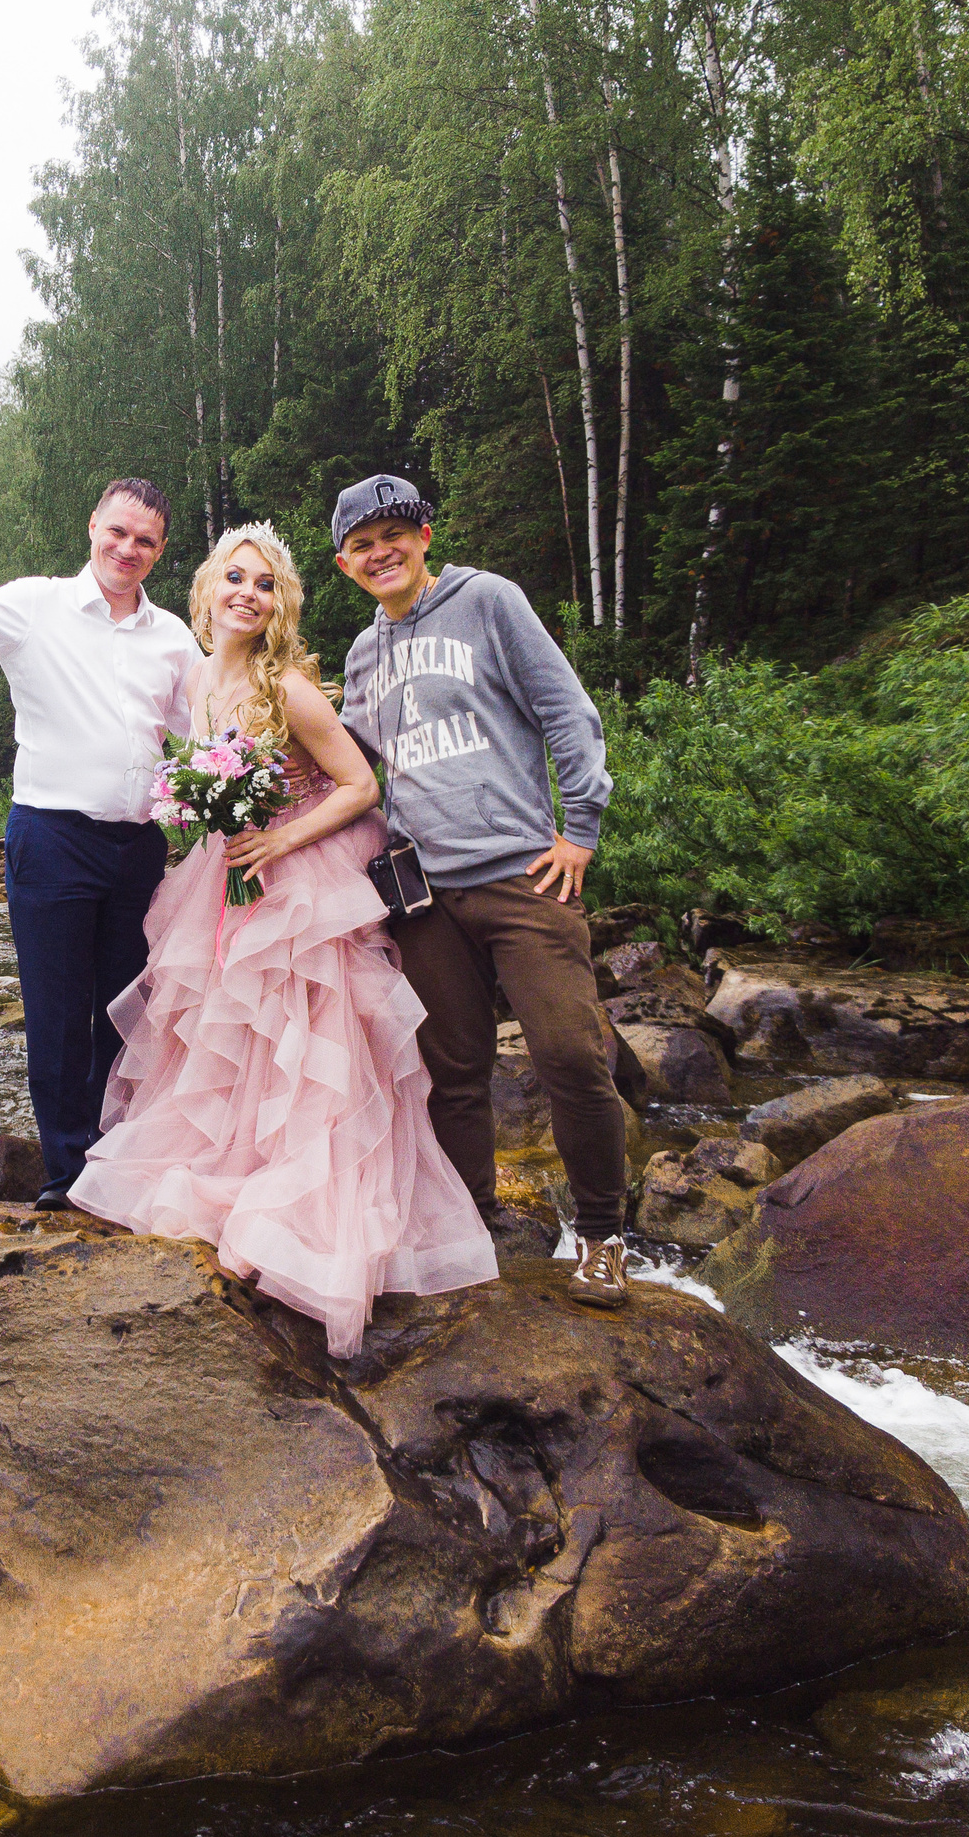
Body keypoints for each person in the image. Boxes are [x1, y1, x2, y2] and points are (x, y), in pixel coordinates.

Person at [68, 522, 498, 1357]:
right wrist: (208, 816)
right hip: (226, 879)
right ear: (206, 591)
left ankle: (307, 1221)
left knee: (308, 1049)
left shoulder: (288, 686)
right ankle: (241, 1184)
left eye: (265, 585)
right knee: (228, 1040)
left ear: (279, 604)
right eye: (235, 577)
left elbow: (360, 785)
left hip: (301, 878)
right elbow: (193, 777)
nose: (248, 594)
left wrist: (278, 842)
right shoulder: (194, 680)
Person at [332, 474, 633, 1309]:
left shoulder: (488, 601)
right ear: (344, 563)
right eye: (362, 543)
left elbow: (567, 712)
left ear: (426, 534)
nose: (380, 551)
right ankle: (477, 1224)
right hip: (424, 894)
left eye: (395, 532)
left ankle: (604, 1235)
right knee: (451, 1070)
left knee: (570, 1053)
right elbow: (349, 766)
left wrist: (581, 829)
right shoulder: (363, 655)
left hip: (521, 873)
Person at [0, 480, 202, 1203]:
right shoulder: (34, 605)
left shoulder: (174, 637)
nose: (128, 549)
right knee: (57, 1019)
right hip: (51, 839)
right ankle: (67, 1177)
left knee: (126, 1014)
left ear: (160, 550)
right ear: (92, 526)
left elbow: (208, 733)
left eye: (145, 540)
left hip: (139, 851)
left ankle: (117, 1164)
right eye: (117, 532)